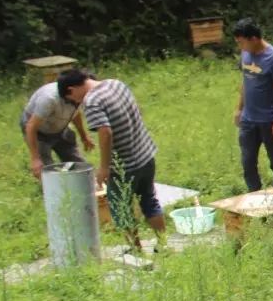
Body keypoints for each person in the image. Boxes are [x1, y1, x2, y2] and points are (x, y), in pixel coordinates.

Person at [58, 69, 165, 249]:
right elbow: (137, 110)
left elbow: (105, 132)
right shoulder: (116, 84)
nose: (76, 103)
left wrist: (105, 167)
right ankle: (163, 244)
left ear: (71, 90)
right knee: (149, 200)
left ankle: (137, 252)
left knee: (121, 209)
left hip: (125, 165)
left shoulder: (92, 102)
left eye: (72, 100)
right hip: (146, 155)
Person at [233, 18, 273, 191]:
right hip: (248, 120)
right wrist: (239, 108)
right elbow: (245, 82)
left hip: (268, 120)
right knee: (248, 162)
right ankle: (254, 196)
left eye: (242, 42)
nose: (240, 47)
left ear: (254, 39)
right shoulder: (245, 54)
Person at [20, 80, 94, 179]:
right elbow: (31, 127)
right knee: (46, 172)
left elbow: (75, 114)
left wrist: (84, 136)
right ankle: (54, 191)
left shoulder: (78, 95)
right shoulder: (49, 99)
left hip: (61, 128)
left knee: (78, 165)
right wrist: (35, 159)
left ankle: (81, 186)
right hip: (38, 132)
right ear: (70, 90)